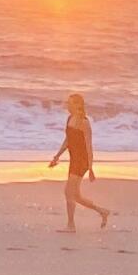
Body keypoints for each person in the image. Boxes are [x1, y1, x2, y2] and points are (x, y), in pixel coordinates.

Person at [48, 92, 111, 231]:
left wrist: (90, 168)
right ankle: (102, 211)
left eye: (70, 103)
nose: (67, 106)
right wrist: (57, 156)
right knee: (75, 195)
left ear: (78, 105)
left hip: (81, 161)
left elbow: (89, 146)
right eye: (67, 103)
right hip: (73, 159)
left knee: (68, 192)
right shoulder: (70, 119)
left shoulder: (84, 123)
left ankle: (71, 225)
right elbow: (67, 140)